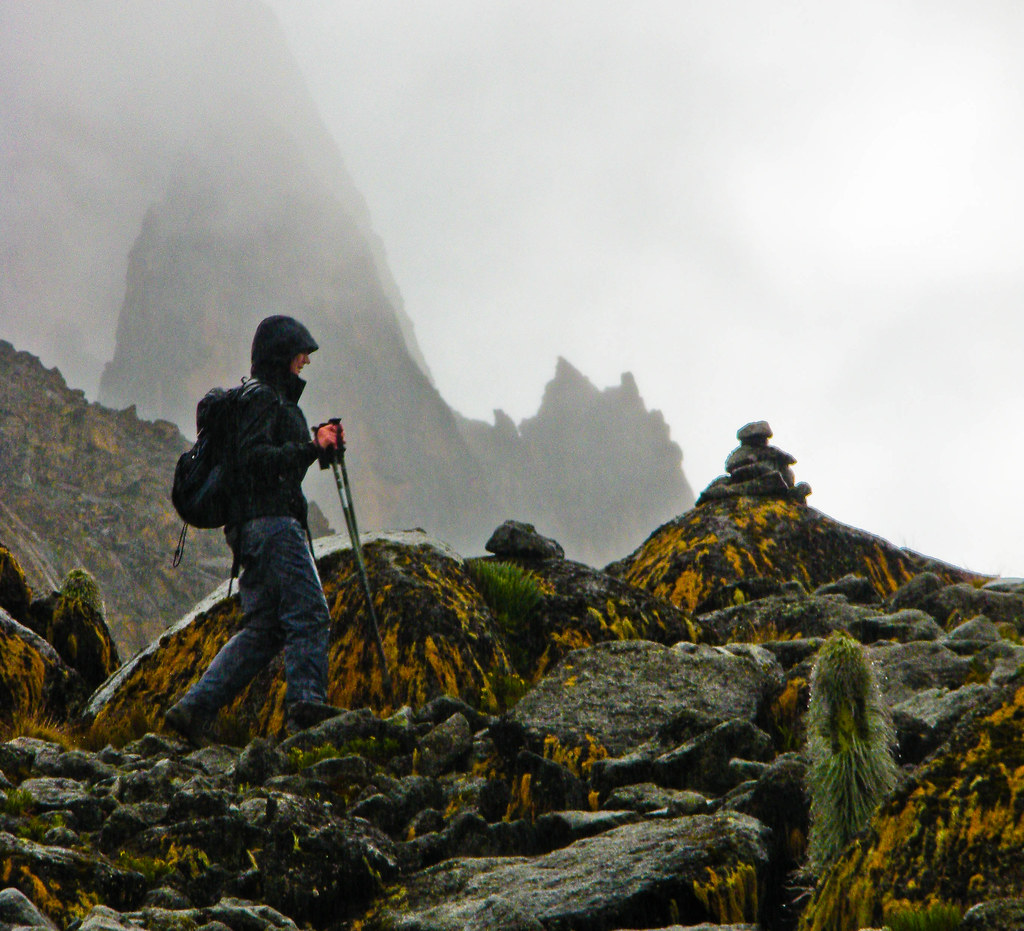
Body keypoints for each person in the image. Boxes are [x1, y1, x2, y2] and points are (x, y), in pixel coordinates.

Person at [165, 314, 343, 742]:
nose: (305, 361)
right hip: (272, 526)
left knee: (264, 629)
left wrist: (315, 448)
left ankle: (193, 710)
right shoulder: (263, 398)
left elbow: (267, 461)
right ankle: (304, 709)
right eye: (300, 353)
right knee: (310, 614)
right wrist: (310, 447)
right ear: (281, 354)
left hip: (250, 530)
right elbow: (256, 462)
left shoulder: (263, 400)